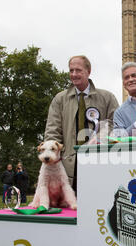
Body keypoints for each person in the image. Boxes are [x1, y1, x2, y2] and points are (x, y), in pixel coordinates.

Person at [44, 55, 119, 191]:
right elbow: (52, 132)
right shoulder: (59, 99)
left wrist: (100, 137)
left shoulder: (107, 98)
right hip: (68, 166)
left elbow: (116, 125)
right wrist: (52, 158)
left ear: (88, 71)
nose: (74, 74)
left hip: (99, 163)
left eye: (78, 70)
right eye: (71, 70)